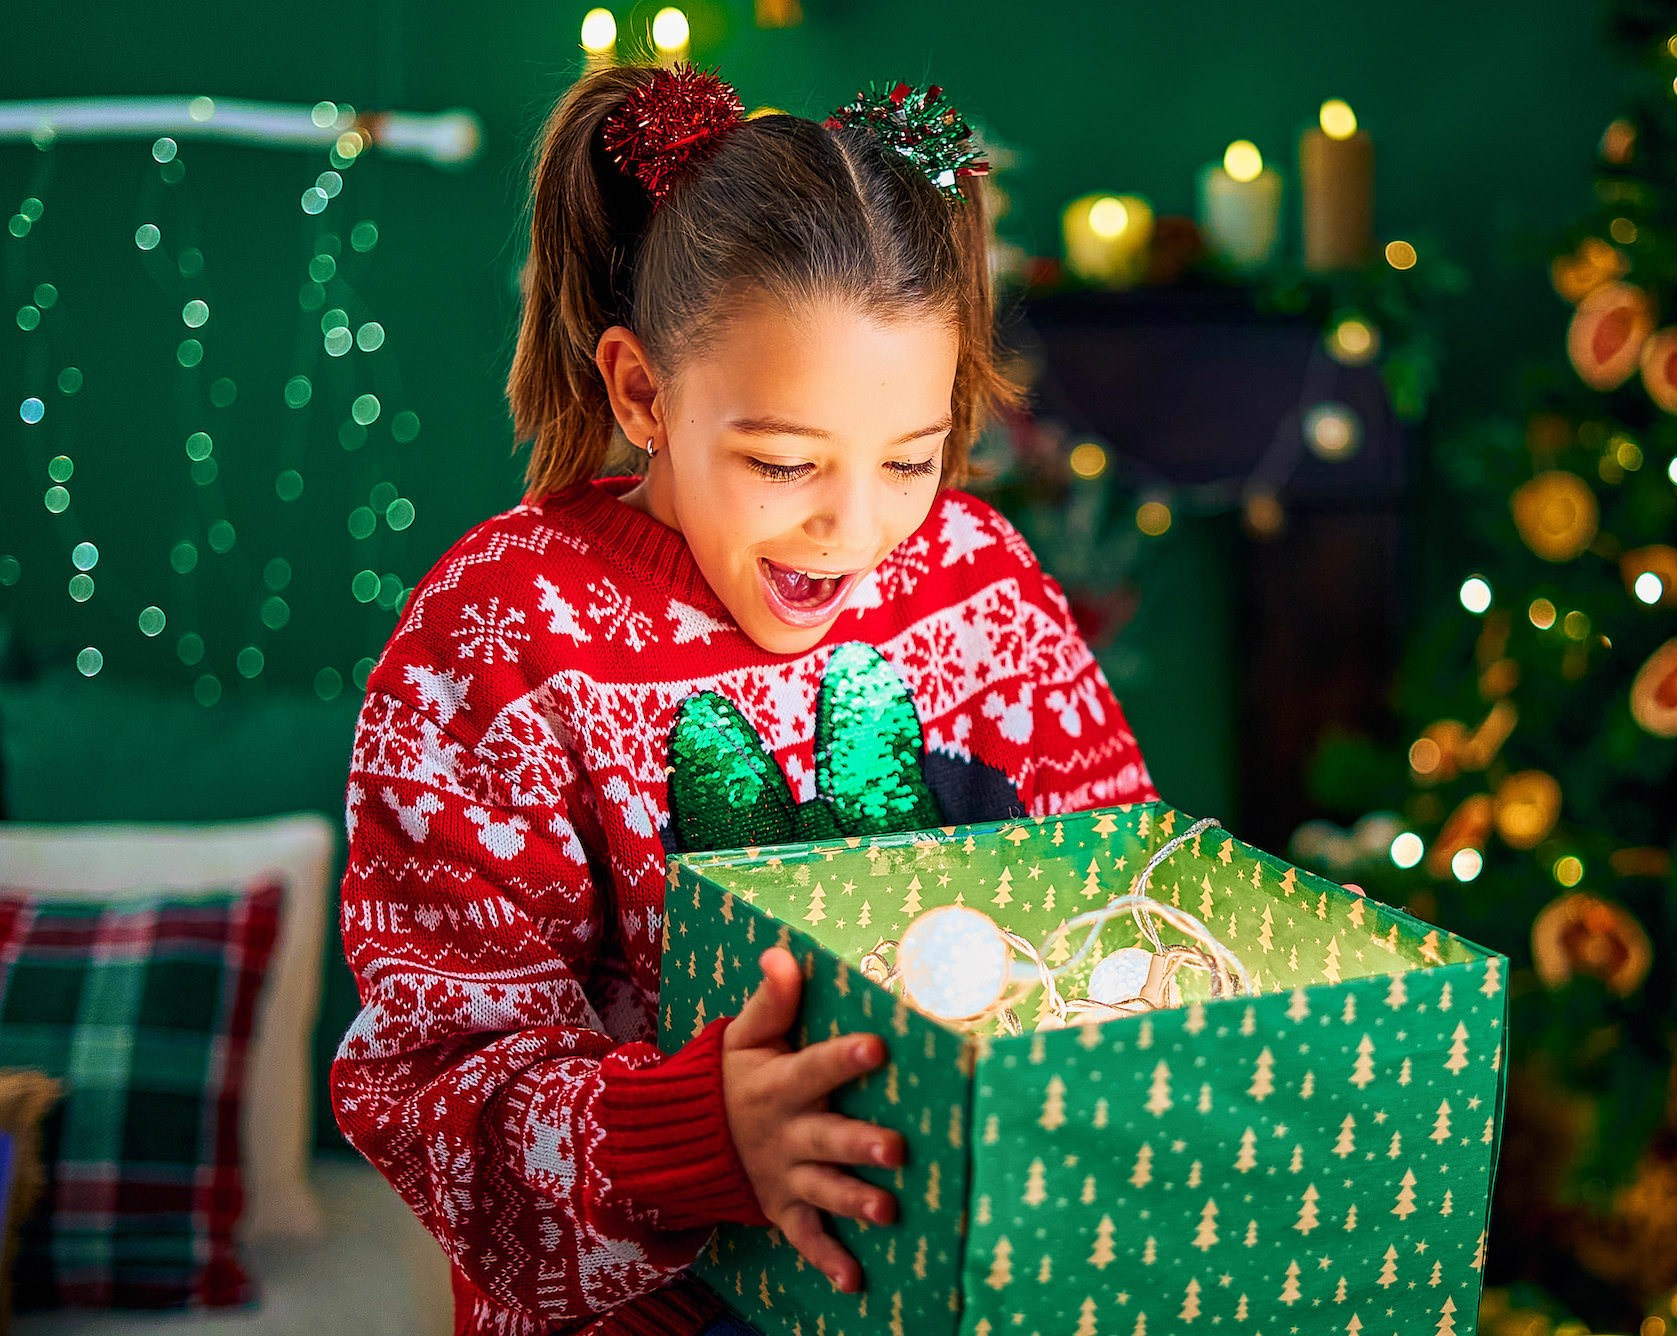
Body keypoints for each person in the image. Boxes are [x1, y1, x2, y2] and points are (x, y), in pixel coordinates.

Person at [330, 62, 1159, 1336]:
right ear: (642, 393)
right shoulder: (499, 639)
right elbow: (434, 1096)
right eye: (783, 461)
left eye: (910, 460)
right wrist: (699, 1133)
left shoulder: (983, 584)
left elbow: (1122, 907)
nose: (853, 526)